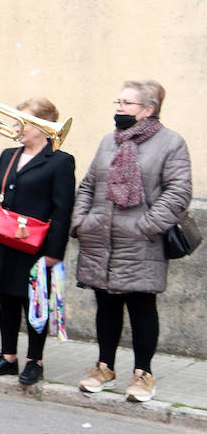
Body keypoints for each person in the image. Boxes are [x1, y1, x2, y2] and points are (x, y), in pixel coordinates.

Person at [71, 80, 191, 402]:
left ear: (148, 110)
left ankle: (143, 374)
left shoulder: (171, 143)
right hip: (101, 238)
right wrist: (81, 223)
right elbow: (87, 186)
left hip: (140, 241)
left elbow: (178, 193)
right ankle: (104, 367)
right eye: (118, 102)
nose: (119, 108)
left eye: (126, 103)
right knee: (106, 306)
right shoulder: (108, 142)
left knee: (141, 308)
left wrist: (146, 227)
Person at [0, 98, 75, 386]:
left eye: (24, 121)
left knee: (35, 302)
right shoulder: (8, 154)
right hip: (2, 239)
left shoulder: (61, 161)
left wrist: (54, 251)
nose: (18, 126)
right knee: (7, 298)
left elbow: (62, 210)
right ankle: (8, 357)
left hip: (35, 246)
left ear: (43, 126)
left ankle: (34, 361)